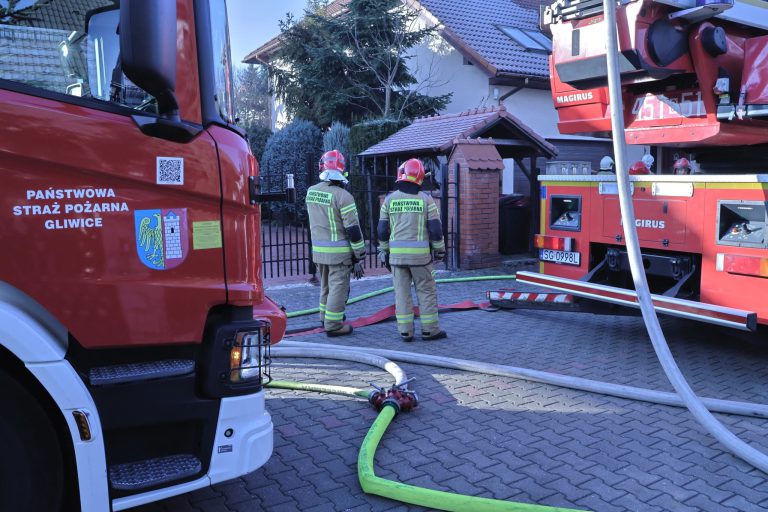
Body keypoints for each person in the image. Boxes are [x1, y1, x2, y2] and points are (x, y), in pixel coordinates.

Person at [377, 158, 446, 342]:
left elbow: (382, 230)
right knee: (426, 292)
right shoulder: (426, 200)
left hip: (397, 259)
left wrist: (384, 252)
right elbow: (436, 230)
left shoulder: (389, 200)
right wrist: (439, 251)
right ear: (420, 177)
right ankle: (430, 331)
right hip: (421, 260)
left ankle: (405, 332)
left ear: (401, 175)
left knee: (401, 293)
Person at [306, 150, 365, 337]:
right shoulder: (343, 196)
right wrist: (359, 255)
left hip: (319, 253)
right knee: (338, 288)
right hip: (339, 255)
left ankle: (324, 317)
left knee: (326, 287)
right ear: (342, 171)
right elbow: (353, 230)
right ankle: (333, 325)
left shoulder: (311, 192)